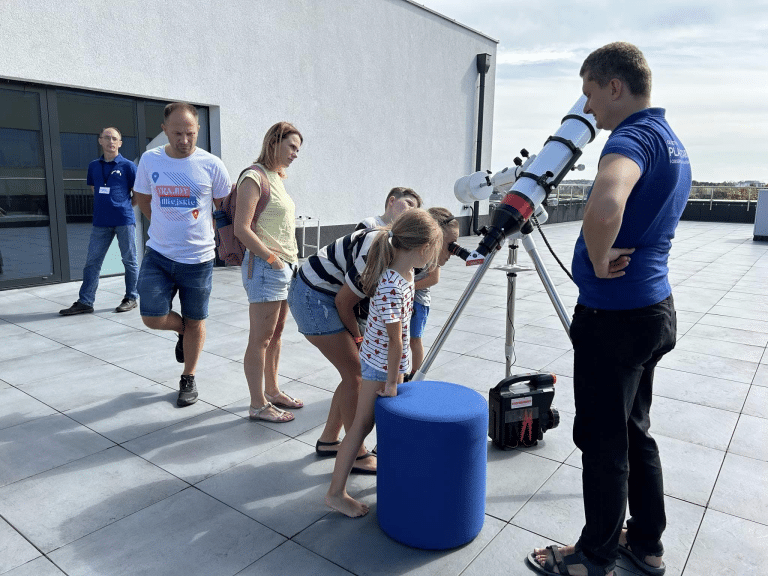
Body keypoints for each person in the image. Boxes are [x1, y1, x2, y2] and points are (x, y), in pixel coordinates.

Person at [529, 42, 690, 576]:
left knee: (601, 439)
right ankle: (646, 544)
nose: (587, 107)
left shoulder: (630, 138)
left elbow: (605, 204)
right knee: (633, 429)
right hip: (652, 308)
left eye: (590, 92)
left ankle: (591, 555)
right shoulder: (670, 140)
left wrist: (596, 261)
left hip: (615, 318)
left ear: (615, 86)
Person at [288, 206, 462, 474]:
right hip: (315, 296)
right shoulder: (376, 254)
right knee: (354, 373)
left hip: (334, 296)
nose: (454, 252)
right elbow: (344, 302)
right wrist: (358, 339)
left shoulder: (399, 258)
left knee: (351, 371)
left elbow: (415, 288)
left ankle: (329, 441)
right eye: (450, 246)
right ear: (427, 243)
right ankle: (356, 454)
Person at [324, 209, 442, 518]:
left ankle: (390, 476)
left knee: (380, 423)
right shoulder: (392, 283)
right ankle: (335, 493)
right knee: (361, 426)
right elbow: (395, 340)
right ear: (422, 247)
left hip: (389, 363)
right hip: (381, 365)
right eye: (434, 250)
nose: (434, 260)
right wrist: (392, 381)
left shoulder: (406, 273)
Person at [133, 102, 232, 407]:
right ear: (165, 131)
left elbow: (224, 209)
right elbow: (144, 201)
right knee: (151, 315)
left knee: (197, 319)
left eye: (190, 133)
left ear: (198, 130)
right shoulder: (150, 160)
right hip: (159, 254)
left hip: (199, 260)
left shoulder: (212, 164)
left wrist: (229, 247)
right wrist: (167, 229)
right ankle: (183, 332)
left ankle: (188, 377)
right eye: (177, 133)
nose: (185, 140)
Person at [234, 122, 304, 423]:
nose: (295, 154)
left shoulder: (277, 178)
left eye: (298, 149)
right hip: (265, 267)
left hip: (284, 266)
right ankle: (257, 404)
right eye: (291, 146)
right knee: (260, 339)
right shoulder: (254, 176)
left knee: (276, 336)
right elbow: (241, 228)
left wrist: (287, 262)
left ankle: (273, 391)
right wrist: (272, 258)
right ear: (274, 142)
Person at [60, 127, 139, 315]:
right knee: (92, 262)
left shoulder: (128, 166)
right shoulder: (94, 165)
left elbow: (138, 195)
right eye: (107, 138)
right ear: (100, 141)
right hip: (101, 221)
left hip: (123, 220)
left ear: (120, 143)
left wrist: (123, 206)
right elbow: (94, 189)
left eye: (115, 139)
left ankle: (131, 297)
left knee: (129, 260)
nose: (111, 141)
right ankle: (85, 301)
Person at [355, 187, 422, 231]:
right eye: (409, 203)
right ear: (392, 201)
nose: (412, 210)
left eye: (415, 210)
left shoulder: (405, 233)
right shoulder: (369, 224)